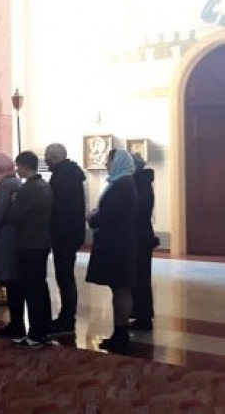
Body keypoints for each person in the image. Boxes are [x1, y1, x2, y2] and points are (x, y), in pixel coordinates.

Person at [86, 149, 139, 353]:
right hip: (119, 242)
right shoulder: (121, 184)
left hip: (118, 244)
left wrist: (93, 218)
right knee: (119, 287)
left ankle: (121, 333)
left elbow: (110, 216)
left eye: (109, 160)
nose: (106, 164)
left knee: (120, 287)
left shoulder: (121, 187)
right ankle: (120, 331)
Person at [6, 151, 53, 349]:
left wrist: (12, 202)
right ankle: (44, 330)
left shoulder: (29, 189)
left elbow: (14, 216)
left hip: (29, 243)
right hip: (42, 242)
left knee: (32, 289)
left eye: (18, 166)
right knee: (40, 287)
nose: (17, 170)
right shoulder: (44, 185)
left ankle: (35, 334)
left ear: (25, 166)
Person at [44, 143, 87, 336]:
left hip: (65, 233)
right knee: (65, 276)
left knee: (65, 277)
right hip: (70, 232)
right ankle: (65, 317)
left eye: (47, 157)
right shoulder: (70, 173)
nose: (45, 161)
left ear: (54, 157)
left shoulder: (64, 176)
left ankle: (67, 319)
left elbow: (59, 206)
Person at [0, 153, 24, 338]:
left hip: (7, 238)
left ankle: (16, 324)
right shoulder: (16, 182)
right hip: (17, 236)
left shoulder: (5, 185)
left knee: (10, 281)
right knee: (15, 281)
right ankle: (18, 322)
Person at [129, 153, 160, 331]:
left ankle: (143, 317)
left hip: (139, 237)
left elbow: (136, 212)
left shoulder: (138, 184)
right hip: (142, 235)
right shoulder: (142, 182)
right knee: (139, 277)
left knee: (140, 278)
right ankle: (140, 315)